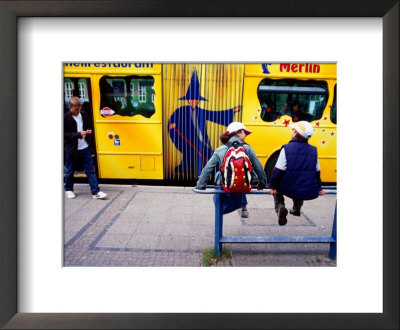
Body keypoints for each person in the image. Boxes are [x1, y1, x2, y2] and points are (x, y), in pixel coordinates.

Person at [196, 122, 266, 218]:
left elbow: (207, 169)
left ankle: (220, 210)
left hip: (225, 185)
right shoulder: (248, 149)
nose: (245, 135)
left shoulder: (220, 150)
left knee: (218, 175)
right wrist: (262, 183)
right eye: (244, 132)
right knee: (242, 180)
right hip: (242, 186)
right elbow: (259, 168)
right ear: (238, 133)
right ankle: (243, 206)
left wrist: (201, 185)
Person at [269, 121, 326, 225]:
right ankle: (296, 208)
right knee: (300, 185)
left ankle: (280, 207)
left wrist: (273, 186)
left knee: (277, 190)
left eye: (293, 130)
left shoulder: (286, 148)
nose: (292, 131)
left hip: (288, 187)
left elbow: (278, 170)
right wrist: (319, 188)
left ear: (295, 134)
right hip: (305, 188)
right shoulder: (314, 150)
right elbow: (317, 171)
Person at [64, 96, 107, 199]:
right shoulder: (65, 118)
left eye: (79, 108)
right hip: (72, 149)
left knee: (90, 170)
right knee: (70, 170)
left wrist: (88, 132)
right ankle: (69, 189)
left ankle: (95, 192)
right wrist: (78, 134)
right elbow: (65, 134)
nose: (78, 111)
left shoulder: (84, 114)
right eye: (76, 109)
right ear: (70, 107)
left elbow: (88, 126)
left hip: (84, 147)